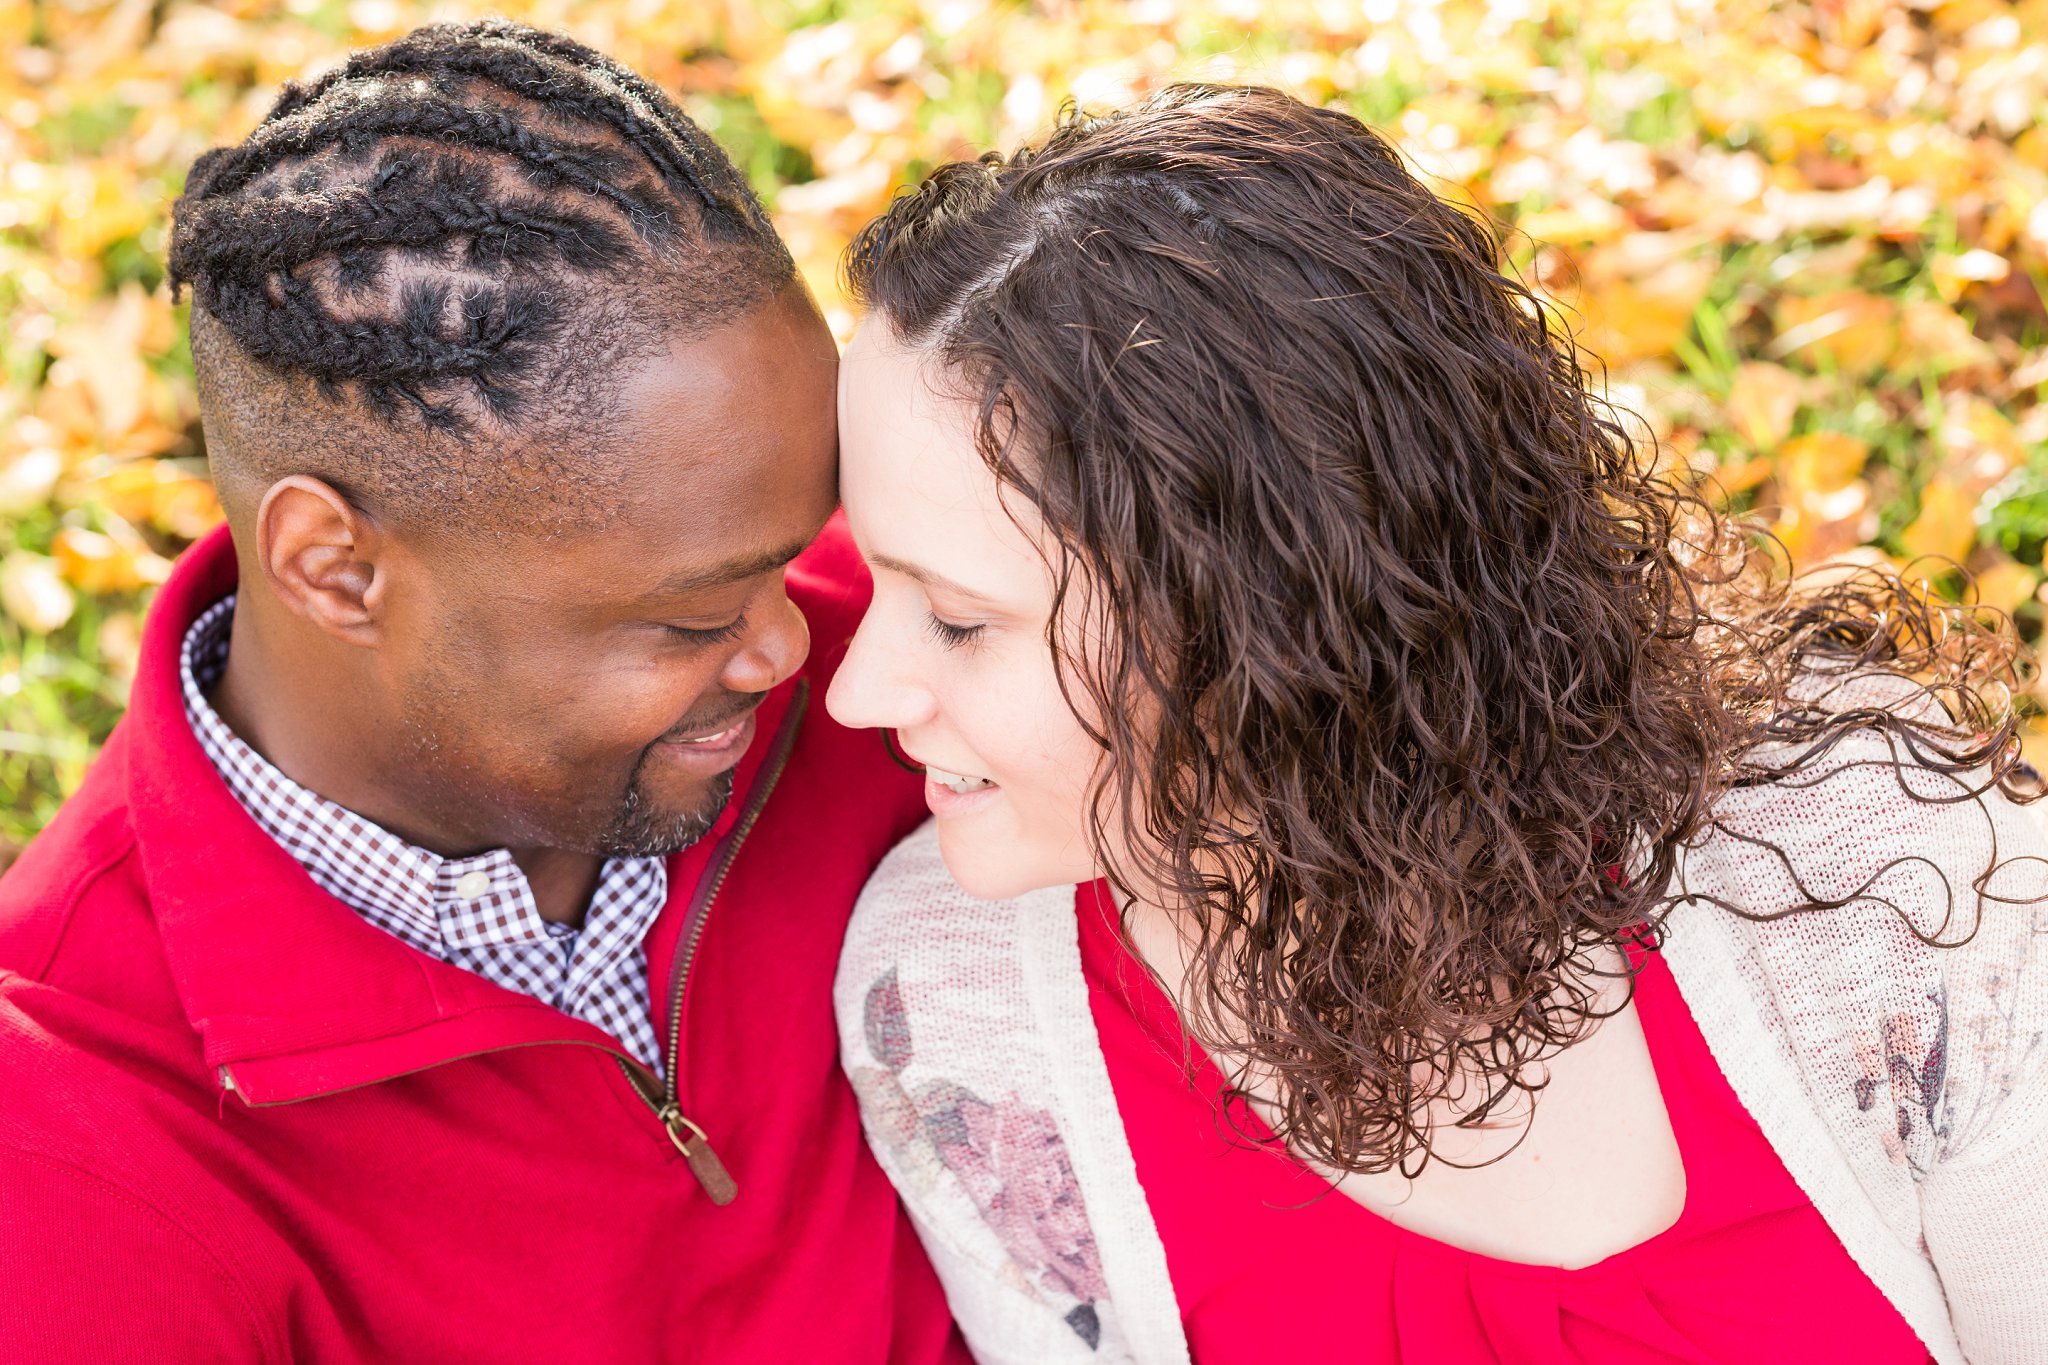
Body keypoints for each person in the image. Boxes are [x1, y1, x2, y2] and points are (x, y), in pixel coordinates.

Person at [824, 84, 2048, 1365]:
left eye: (959, 619)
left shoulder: (1883, 881)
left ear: (1272, 622)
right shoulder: (954, 1016)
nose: (857, 692)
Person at [0, 21, 965, 1364]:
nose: (799, 651)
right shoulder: (73, 1141)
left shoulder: (926, 661)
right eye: (693, 615)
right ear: (335, 570)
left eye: (799, 547)